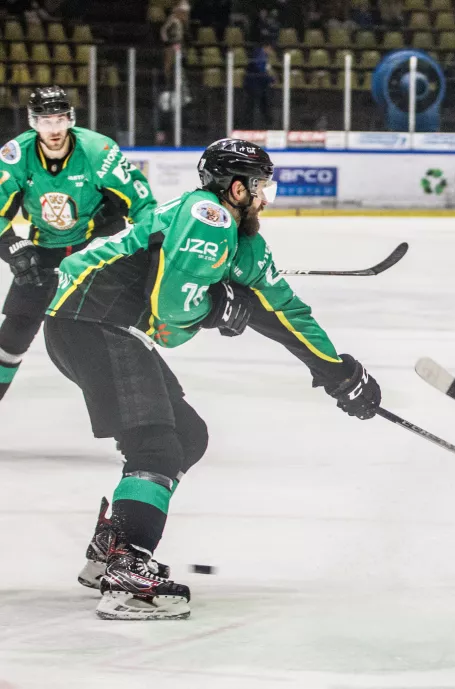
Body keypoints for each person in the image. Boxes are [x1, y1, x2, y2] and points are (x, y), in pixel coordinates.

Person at [44, 138, 383, 620]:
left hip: (101, 326)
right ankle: (127, 570)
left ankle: (113, 546)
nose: (266, 198)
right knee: (155, 445)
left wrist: (338, 372)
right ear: (237, 189)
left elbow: (284, 311)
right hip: (91, 319)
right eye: (261, 187)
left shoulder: (242, 241)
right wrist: (215, 307)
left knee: (187, 435)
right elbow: (170, 310)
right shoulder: (208, 216)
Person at [0, 85, 155, 403]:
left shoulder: (98, 152)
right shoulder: (15, 156)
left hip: (96, 248)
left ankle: (135, 408)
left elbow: (142, 204)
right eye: (45, 121)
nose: (54, 129)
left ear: (70, 119)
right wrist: (12, 246)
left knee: (107, 329)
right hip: (44, 248)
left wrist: (151, 246)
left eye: (60, 119)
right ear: (33, 122)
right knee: (16, 329)